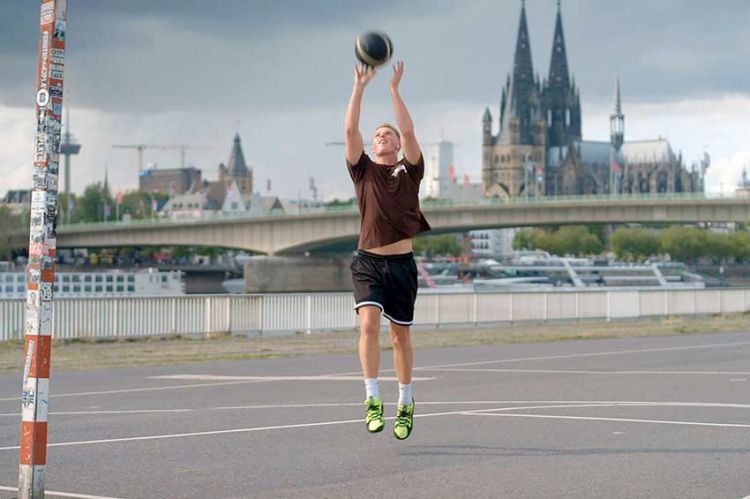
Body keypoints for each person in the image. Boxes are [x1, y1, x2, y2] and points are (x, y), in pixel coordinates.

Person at [344, 60, 431, 440]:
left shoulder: (410, 170)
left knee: (400, 336)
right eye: (377, 133)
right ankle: (372, 398)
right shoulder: (362, 170)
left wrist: (393, 90)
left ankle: (406, 401)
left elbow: (409, 129)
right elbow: (350, 129)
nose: (381, 136)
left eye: (387, 134)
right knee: (368, 324)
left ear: (397, 145)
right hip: (367, 262)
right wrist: (360, 86)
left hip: (401, 264)